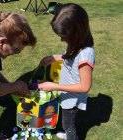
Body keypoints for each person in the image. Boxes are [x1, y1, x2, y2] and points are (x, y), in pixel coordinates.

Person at [39, 3, 95, 140]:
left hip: (73, 99)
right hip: (67, 93)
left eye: (64, 36)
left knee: (67, 124)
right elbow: (70, 57)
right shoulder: (76, 43)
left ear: (76, 33)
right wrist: (56, 58)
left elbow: (84, 86)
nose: (61, 39)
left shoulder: (85, 55)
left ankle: (70, 136)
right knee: (67, 121)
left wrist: (54, 86)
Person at [0, 12, 36, 98]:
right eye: (16, 50)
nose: (14, 54)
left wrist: (8, 85)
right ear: (2, 42)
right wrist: (16, 86)